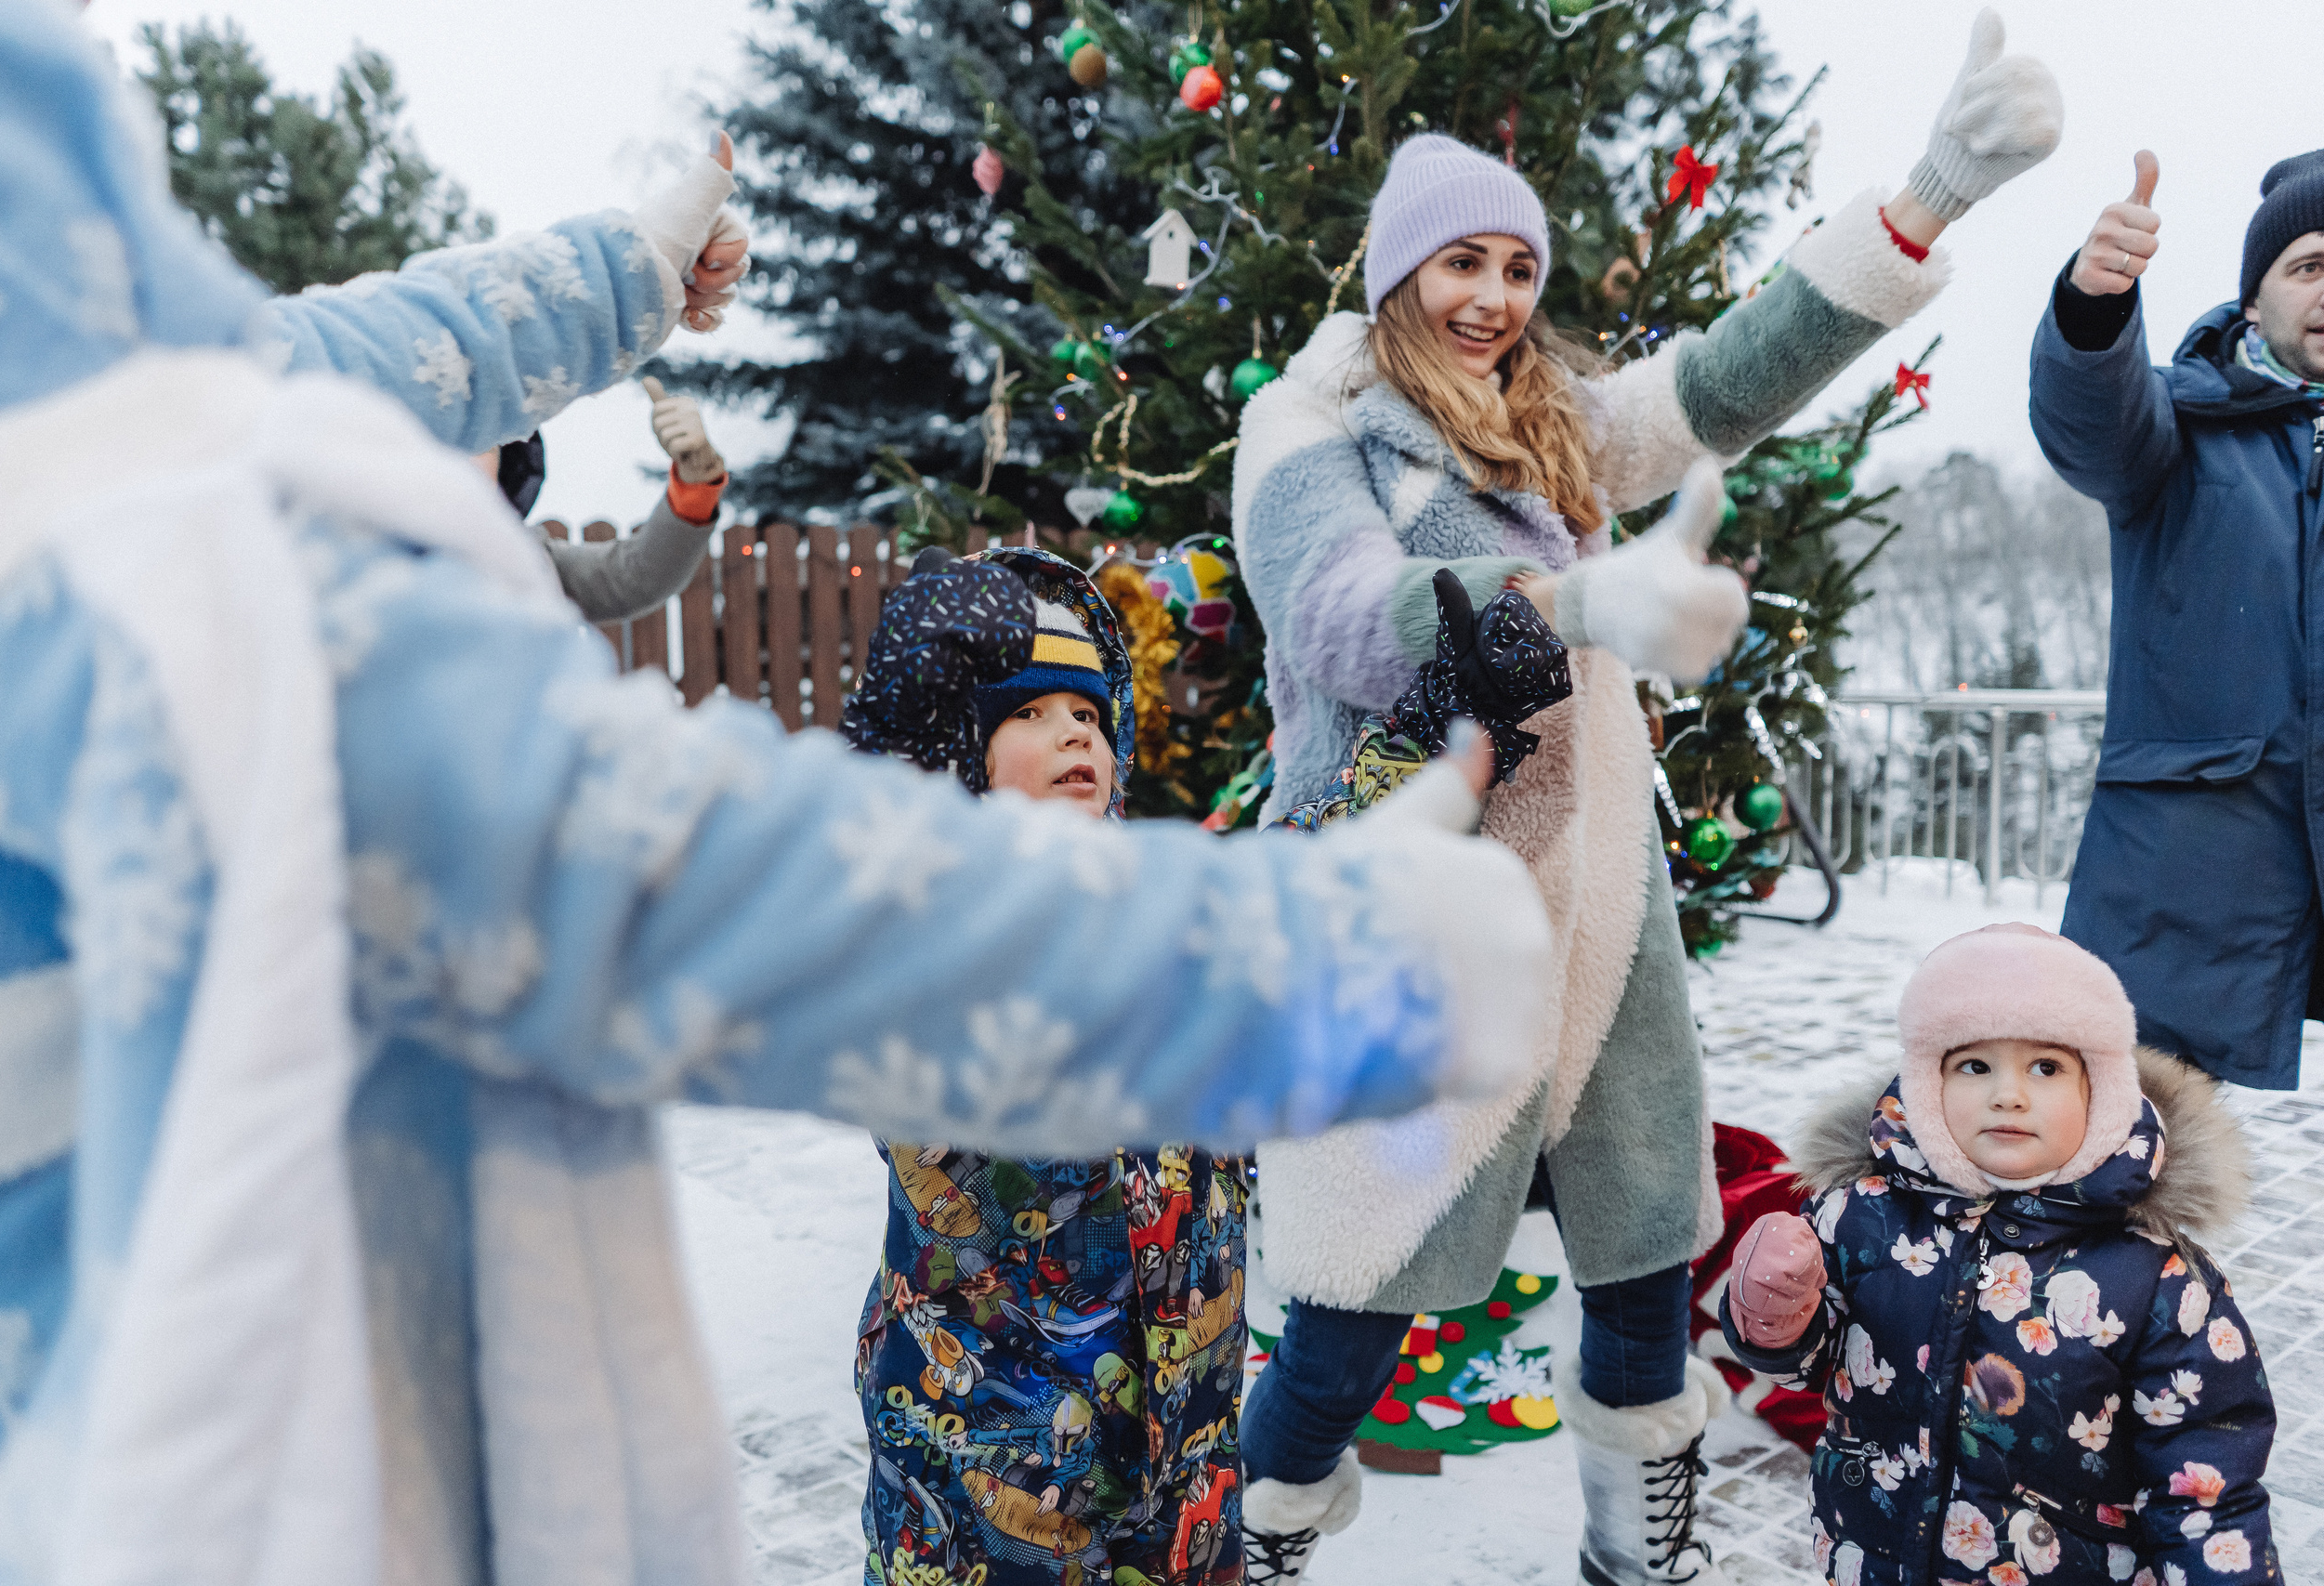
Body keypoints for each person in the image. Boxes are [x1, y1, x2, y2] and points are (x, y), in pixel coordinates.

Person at [0, 3, 1563, 1579]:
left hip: (1178, 1497)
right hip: (950, 1521)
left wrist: (619, 272)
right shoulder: (149, 612)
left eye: (1093, 713)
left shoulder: (101, 421)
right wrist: (1340, 946)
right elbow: (763, 900)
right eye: (1032, 712)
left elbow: (282, 358)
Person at [1231, 13, 2065, 1582]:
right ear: (1397, 273)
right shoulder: (1311, 426)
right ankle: (1252, 1541)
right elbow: (1342, 617)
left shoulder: (1555, 427)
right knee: (1351, 1298)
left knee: (1640, 1261)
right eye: (1459, 265)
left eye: (1518, 269)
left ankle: (1638, 1551)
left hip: (1605, 925)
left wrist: (1928, 202)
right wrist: (1575, 613)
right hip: (1413, 931)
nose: (1491, 300)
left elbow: (1726, 377)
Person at [838, 549, 1572, 1586]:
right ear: (951, 748)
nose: (1073, 732)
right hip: (985, 1490)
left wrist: (1440, 737)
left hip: (1181, 1472)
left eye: (1088, 713)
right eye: (1030, 712)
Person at [1719, 924, 2278, 1586]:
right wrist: (1778, 1314)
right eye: (1975, 1065)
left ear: (2098, 1091)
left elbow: (2205, 1481)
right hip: (1874, 1554)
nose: (2008, 1093)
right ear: (1928, 1083)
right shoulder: (1859, 1216)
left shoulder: (2154, 1277)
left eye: (2045, 1067)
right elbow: (1815, 1364)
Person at [2030, 147, 2324, 1094]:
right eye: (2309, 267)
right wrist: (2093, 307)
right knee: (2134, 1159)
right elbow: (2089, 421)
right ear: (2253, 302)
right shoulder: (2180, 425)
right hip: (2192, 876)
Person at [480, 376, 730, 623]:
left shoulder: (526, 562)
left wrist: (695, 482)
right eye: (445, 448)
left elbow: (638, 577)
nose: (459, 465)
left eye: (480, 445)